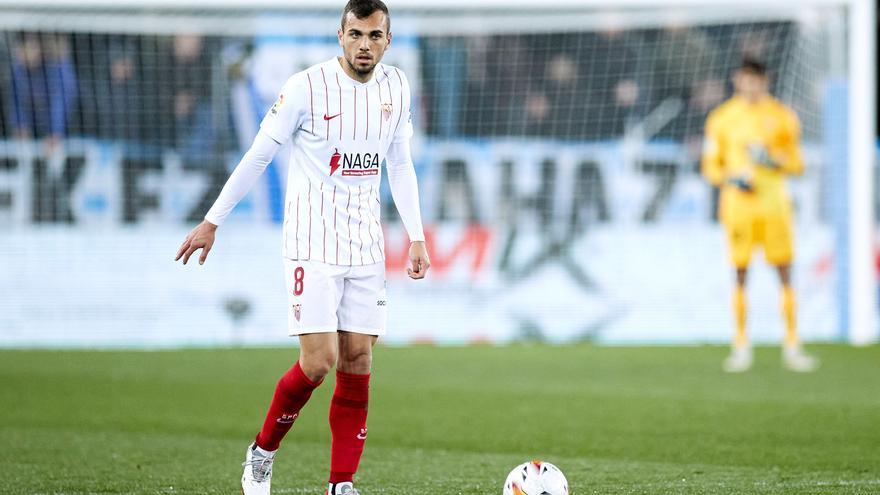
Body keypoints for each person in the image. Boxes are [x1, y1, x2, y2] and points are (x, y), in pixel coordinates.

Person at [174, 1, 430, 494]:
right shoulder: (305, 88)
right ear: (340, 36)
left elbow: (400, 164)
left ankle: (341, 484)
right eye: (355, 34)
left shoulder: (396, 87)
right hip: (311, 241)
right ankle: (262, 452)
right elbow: (258, 155)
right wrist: (212, 221)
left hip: (365, 243)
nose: (364, 45)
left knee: (359, 360)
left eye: (374, 36)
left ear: (387, 41)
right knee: (319, 361)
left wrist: (415, 234)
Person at [701, 58, 817, 373]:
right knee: (740, 272)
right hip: (738, 207)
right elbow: (710, 166)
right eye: (745, 79)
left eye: (756, 79)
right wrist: (731, 178)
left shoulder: (781, 116)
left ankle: (793, 345)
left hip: (774, 206)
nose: (750, 85)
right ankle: (740, 345)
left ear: (765, 80)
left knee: (784, 271)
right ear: (737, 80)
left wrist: (773, 160)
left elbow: (797, 163)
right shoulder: (722, 118)